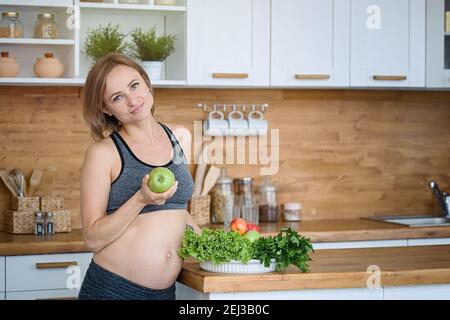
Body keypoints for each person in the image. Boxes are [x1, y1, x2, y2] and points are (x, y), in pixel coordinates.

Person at [78, 53, 200, 300]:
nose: (133, 100)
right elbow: (92, 237)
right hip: (113, 291)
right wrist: (140, 200)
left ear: (146, 82)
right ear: (105, 108)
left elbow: (177, 211)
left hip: (166, 294)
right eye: (117, 97)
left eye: (134, 85)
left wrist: (216, 246)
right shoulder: (104, 153)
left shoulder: (176, 138)